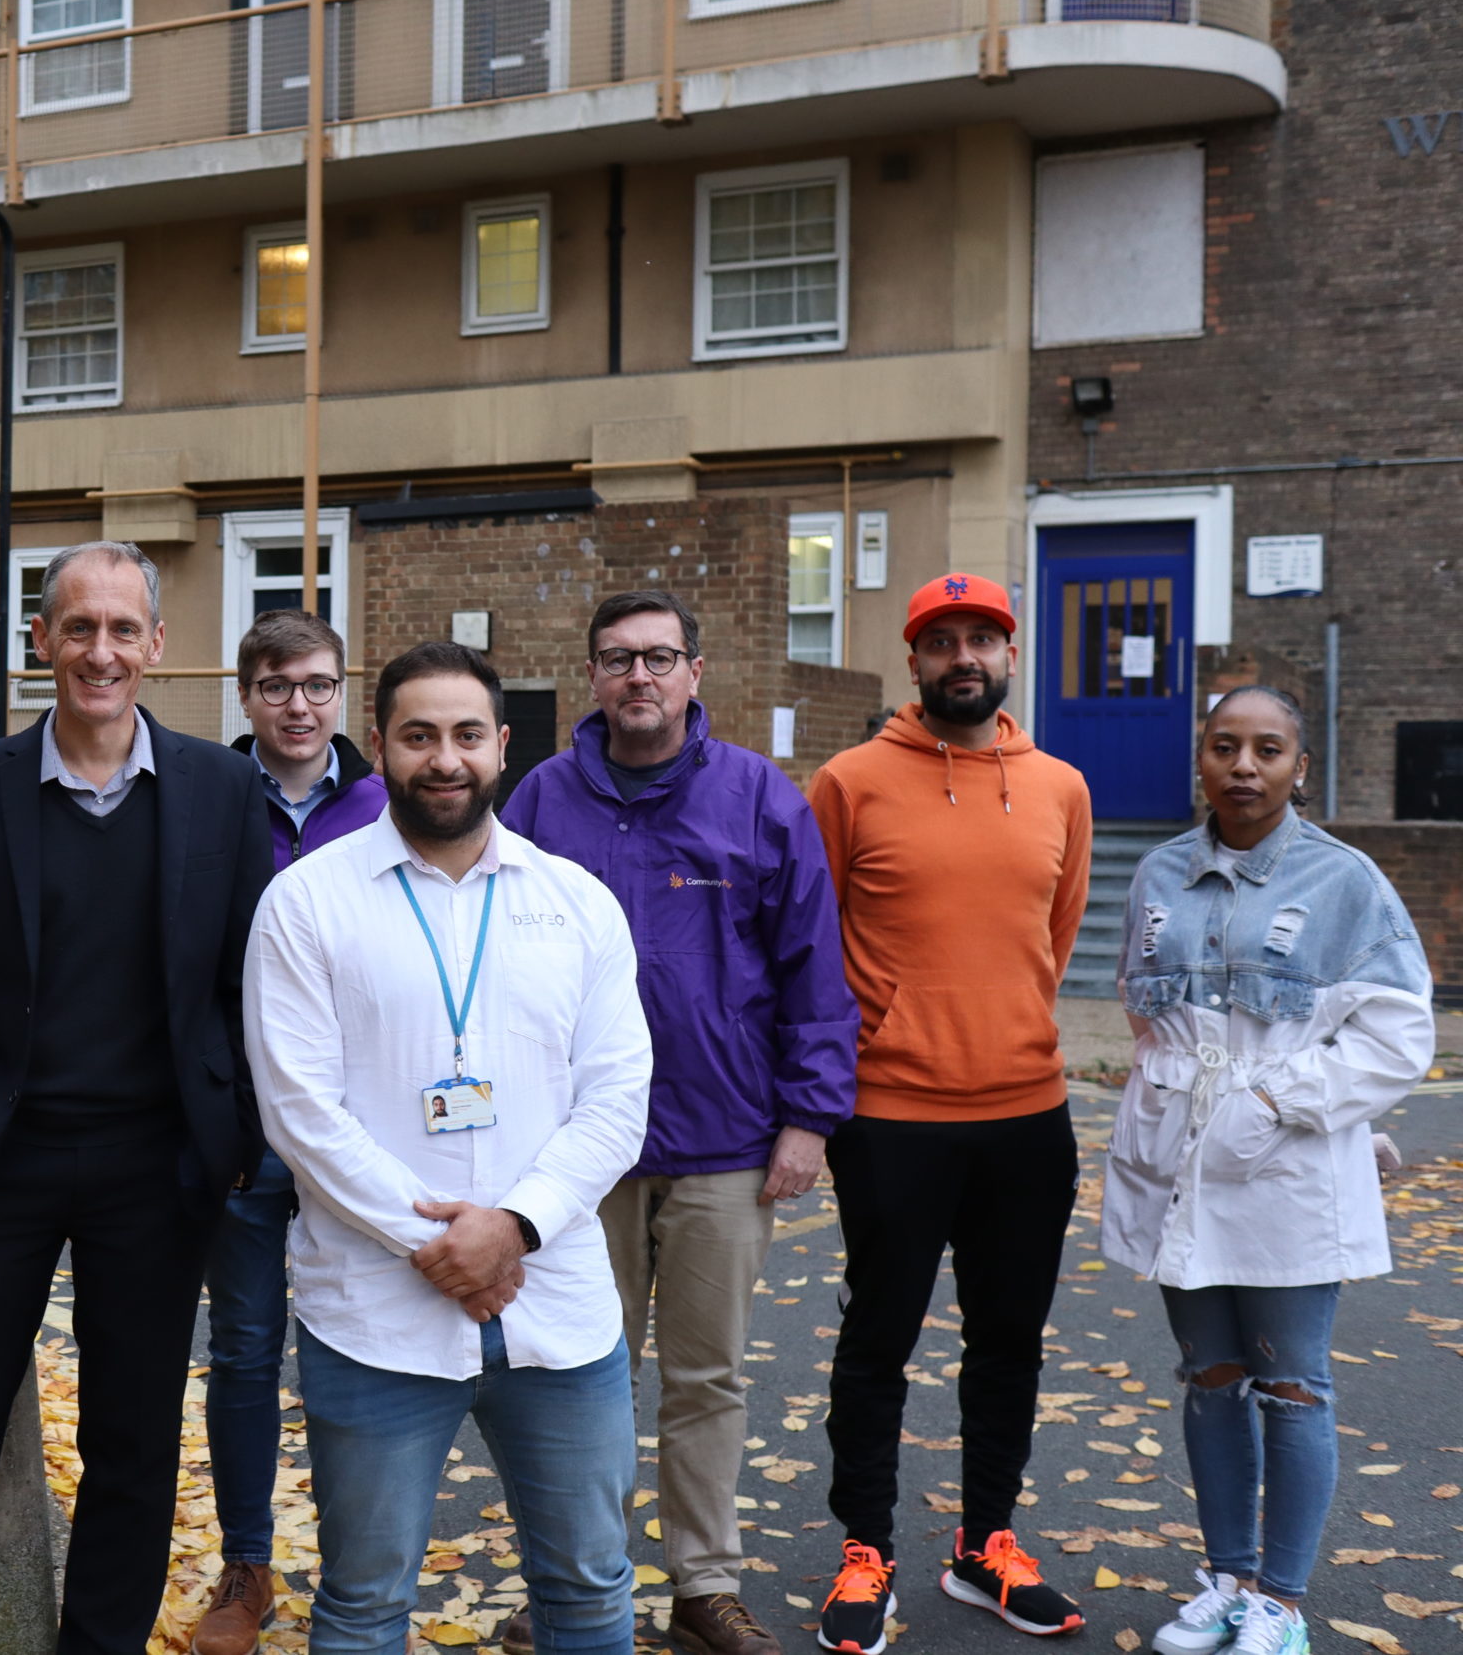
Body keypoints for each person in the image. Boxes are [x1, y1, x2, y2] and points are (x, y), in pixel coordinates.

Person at [0, 541, 273, 1655]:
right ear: (40, 640)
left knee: (131, 1443)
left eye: (122, 629)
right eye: (78, 628)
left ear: (156, 645)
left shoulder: (224, 790)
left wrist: (227, 1139)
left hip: (158, 1167)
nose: (101, 651)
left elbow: (247, 984)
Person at [247, 640, 654, 1655]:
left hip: (556, 1309)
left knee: (590, 1591)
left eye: (466, 735)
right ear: (377, 745)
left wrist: (512, 1226)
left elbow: (616, 1096)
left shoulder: (576, 904)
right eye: (418, 735)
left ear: (503, 747)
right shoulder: (306, 901)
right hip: (374, 1313)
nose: (444, 759)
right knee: (363, 1601)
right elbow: (299, 1109)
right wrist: (436, 1244)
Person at [499, 590, 857, 1655]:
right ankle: (579, 1583)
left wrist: (810, 1119)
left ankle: (702, 1584)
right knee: (578, 1376)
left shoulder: (757, 799)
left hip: (724, 1143)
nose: (639, 679)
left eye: (659, 659)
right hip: (574, 1154)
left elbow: (814, 970)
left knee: (707, 1378)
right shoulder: (539, 805)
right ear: (592, 678)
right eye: (618, 661)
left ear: (695, 673)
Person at [1104, 687, 1435, 1655]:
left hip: (1284, 1163)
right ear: (1199, 761)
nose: (1244, 766)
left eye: (1267, 749)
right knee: (1208, 1378)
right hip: (1180, 1164)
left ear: (1299, 766)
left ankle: (1280, 1604)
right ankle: (1227, 1579)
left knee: (1291, 1384)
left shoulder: (1347, 882)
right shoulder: (1158, 872)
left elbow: (1399, 1033)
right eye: (1224, 747)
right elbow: (1142, 1008)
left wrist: (1280, 1102)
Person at [807, 573, 1093, 1652]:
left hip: (1027, 1112)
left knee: (1007, 1341)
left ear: (1008, 655)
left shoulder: (1060, 785)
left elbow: (1051, 942)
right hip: (889, 1111)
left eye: (981, 638)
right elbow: (811, 935)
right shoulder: (849, 780)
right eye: (941, 641)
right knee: (877, 1340)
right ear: (913, 659)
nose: (961, 656)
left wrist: (1000, 1023)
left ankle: (986, 1545)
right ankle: (863, 1551)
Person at [189, 607, 386, 1655]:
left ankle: (365, 1567)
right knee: (247, 1347)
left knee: (363, 1346)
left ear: (340, 690)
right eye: (275, 686)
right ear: (245, 693)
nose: (297, 705)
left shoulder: (385, 803)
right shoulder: (204, 797)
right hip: (245, 1134)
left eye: (315, 684)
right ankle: (248, 1563)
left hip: (366, 1131)